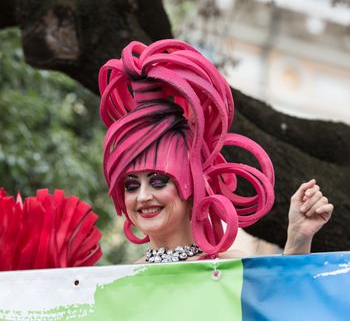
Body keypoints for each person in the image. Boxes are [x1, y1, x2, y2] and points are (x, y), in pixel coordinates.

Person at [99, 39, 333, 263]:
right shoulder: (116, 284)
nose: (142, 196)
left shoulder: (232, 270)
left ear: (192, 186)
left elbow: (282, 301)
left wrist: (298, 240)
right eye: (131, 185)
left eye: (158, 181)